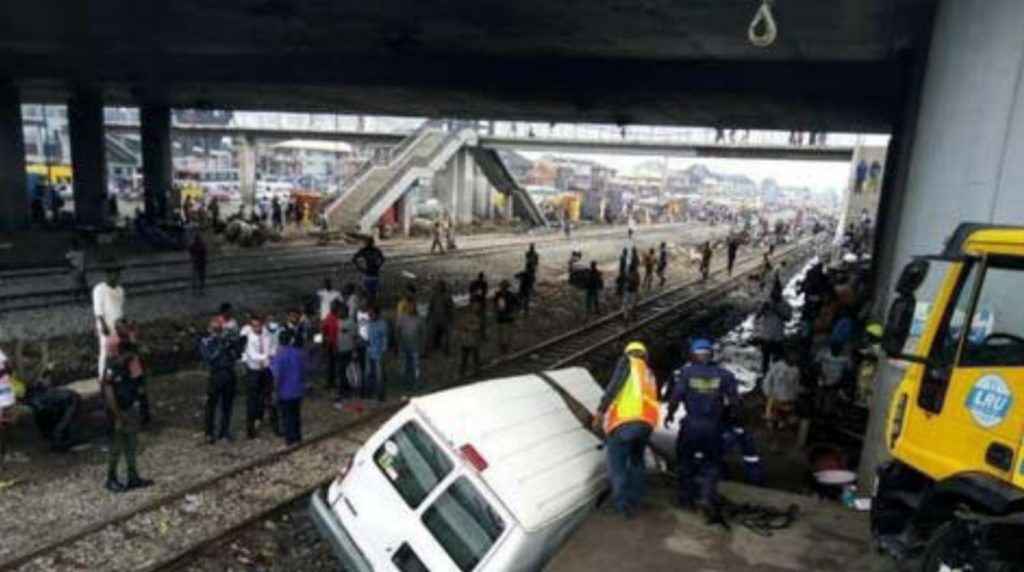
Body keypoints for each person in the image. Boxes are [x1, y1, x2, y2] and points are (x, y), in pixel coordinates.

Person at [665, 338, 740, 519]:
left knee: (685, 461)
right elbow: (735, 403)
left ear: (693, 355)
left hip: (691, 425)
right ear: (711, 354)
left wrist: (670, 414)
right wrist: (731, 420)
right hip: (713, 426)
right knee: (712, 463)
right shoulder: (725, 375)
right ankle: (706, 497)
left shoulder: (686, 373)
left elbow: (675, 397)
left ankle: (685, 497)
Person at [596, 341, 659, 518]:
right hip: (645, 424)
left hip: (625, 423)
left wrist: (601, 410)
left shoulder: (627, 362)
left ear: (628, 353)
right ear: (644, 354)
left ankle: (622, 507)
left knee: (618, 465)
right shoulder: (649, 373)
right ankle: (637, 499)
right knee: (637, 461)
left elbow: (614, 386)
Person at [101, 341, 154, 493]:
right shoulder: (112, 368)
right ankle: (111, 478)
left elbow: (138, 385)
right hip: (118, 412)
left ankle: (133, 475)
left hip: (129, 408)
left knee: (131, 444)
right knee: (116, 447)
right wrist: (116, 415)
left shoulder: (129, 366)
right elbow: (109, 393)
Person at [199, 316, 243, 443]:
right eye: (216, 329)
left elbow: (237, 353)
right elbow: (209, 357)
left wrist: (232, 344)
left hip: (229, 373)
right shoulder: (207, 341)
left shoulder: (227, 340)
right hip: (216, 374)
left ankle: (224, 432)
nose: (218, 331)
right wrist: (220, 344)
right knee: (211, 405)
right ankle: (209, 433)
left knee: (227, 406)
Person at [241, 315, 276, 439]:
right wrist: (267, 356)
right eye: (254, 326)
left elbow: (272, 348)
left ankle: (274, 425)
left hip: (266, 370)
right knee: (252, 400)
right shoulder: (249, 338)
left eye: (258, 325)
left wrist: (271, 354)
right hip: (254, 370)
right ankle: (250, 429)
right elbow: (252, 355)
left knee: (269, 397)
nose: (257, 328)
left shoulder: (267, 335)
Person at [272, 329, 308, 446]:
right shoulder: (299, 353)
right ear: (291, 340)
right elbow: (304, 370)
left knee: (286, 417)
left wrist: (274, 391)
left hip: (284, 392)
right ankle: (298, 437)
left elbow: (277, 376)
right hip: (297, 389)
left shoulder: (279, 356)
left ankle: (290, 439)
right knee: (296, 415)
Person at [93, 267, 125, 381]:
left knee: (116, 350)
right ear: (107, 276)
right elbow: (98, 310)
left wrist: (121, 323)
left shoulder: (120, 290)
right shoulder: (99, 289)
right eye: (112, 275)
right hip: (105, 324)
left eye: (117, 275)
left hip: (117, 324)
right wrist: (103, 326)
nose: (115, 277)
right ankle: (102, 376)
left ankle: (113, 374)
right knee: (105, 351)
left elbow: (120, 308)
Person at [756, 284, 793, 378]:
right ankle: (765, 377)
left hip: (778, 337)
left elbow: (788, 318)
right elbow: (757, 316)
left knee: (777, 359)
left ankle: (775, 377)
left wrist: (777, 310)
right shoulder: (766, 303)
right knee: (765, 359)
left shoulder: (785, 305)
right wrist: (763, 309)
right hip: (766, 336)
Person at [763, 349, 801, 433]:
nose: (794, 358)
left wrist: (795, 395)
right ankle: (770, 430)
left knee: (784, 416)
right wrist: (767, 391)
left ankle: (781, 428)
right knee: (771, 416)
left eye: (796, 356)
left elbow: (796, 384)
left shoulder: (796, 369)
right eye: (792, 355)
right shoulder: (777, 366)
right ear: (787, 356)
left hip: (788, 397)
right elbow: (768, 379)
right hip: (775, 396)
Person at [815, 342, 851, 418]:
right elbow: (816, 363)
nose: (835, 351)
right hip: (822, 381)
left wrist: (843, 383)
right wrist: (820, 373)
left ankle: (826, 417)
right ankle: (816, 414)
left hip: (835, 383)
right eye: (833, 349)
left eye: (837, 349)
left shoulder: (845, 358)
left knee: (828, 403)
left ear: (840, 350)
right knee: (818, 401)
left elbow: (848, 371)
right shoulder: (824, 353)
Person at [396, 299, 424, 392]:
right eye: (409, 307)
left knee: (416, 366)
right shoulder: (402, 319)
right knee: (406, 365)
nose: (411, 309)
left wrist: (423, 345)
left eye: (413, 307)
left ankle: (416, 383)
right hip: (404, 346)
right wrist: (398, 343)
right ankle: (407, 384)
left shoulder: (419, 319)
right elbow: (398, 331)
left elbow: (423, 333)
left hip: (415, 346)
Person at [334, 302, 358, 401]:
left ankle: (346, 391)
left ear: (346, 312)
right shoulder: (336, 322)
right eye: (339, 311)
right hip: (338, 349)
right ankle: (342, 391)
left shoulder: (351, 323)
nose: (339, 312)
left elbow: (354, 337)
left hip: (348, 350)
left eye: (342, 311)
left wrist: (354, 351)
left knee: (347, 372)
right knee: (340, 371)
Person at [364, 307, 389, 402]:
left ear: (377, 314)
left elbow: (385, 340)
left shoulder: (382, 324)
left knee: (380, 376)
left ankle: (380, 395)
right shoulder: (368, 323)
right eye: (369, 314)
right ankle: (369, 393)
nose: (370, 316)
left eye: (372, 314)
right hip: (369, 352)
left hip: (378, 353)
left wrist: (383, 352)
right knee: (369, 374)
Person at [426, 281, 455, 357]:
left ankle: (446, 351)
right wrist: (428, 316)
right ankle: (430, 350)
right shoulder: (435, 296)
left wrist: (451, 318)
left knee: (445, 337)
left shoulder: (446, 296)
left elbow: (451, 308)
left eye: (439, 286)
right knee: (432, 335)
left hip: (443, 319)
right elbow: (430, 307)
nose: (438, 287)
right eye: (438, 286)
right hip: (437, 319)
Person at [321, 300, 341, 392]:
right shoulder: (328, 317)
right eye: (333, 306)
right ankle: (330, 383)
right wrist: (324, 340)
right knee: (330, 365)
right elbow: (323, 329)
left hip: (340, 345)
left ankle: (338, 384)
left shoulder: (340, 317)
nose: (334, 308)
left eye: (335, 306)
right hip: (330, 345)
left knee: (338, 365)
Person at [456, 311, 482, 380]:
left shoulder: (473, 316)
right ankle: (463, 372)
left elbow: (477, 326)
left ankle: (476, 371)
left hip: (471, 341)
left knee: (473, 357)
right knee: (465, 358)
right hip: (466, 341)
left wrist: (469, 327)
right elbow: (460, 328)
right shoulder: (463, 318)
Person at [494, 280, 518, 353]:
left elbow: (495, 305)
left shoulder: (498, 295)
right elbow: (517, 303)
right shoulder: (510, 295)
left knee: (503, 333)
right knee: (508, 332)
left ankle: (504, 347)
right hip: (507, 316)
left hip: (503, 316)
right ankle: (506, 346)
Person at [468, 272, 488, 339]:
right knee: (480, 318)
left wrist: (472, 299)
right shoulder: (484, 284)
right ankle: (481, 333)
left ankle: (478, 333)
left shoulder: (474, 283)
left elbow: (471, 292)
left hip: (476, 302)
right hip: (479, 302)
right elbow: (483, 293)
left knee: (477, 318)